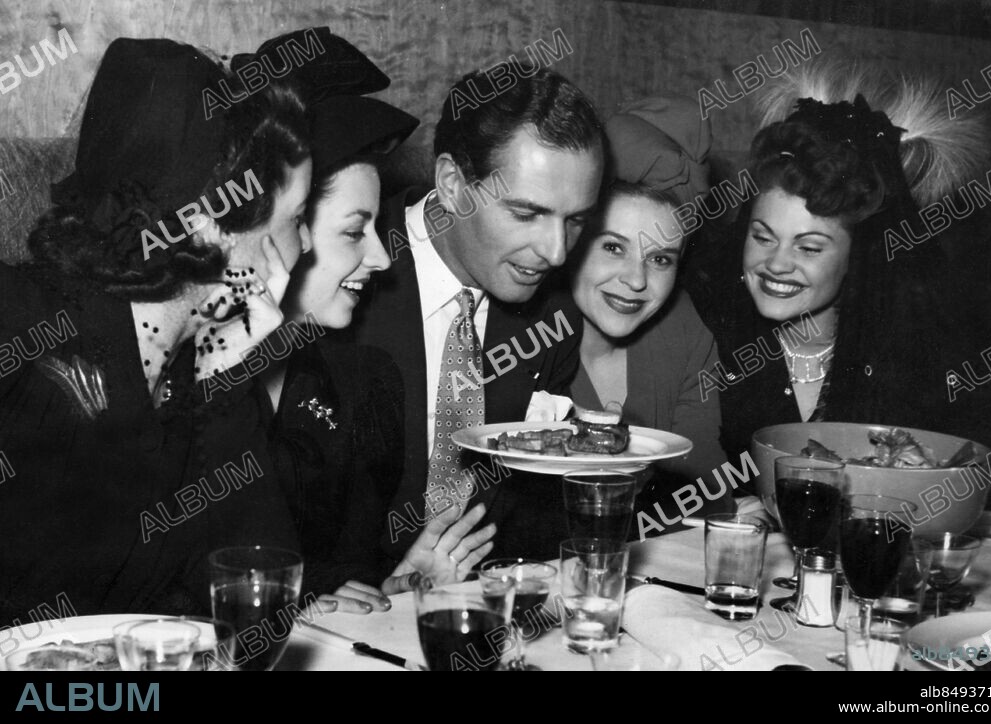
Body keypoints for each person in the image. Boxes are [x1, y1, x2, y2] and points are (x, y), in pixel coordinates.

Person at [0, 38, 311, 623]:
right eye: (296, 220)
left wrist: (225, 389)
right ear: (209, 229)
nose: (308, 245)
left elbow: (257, 614)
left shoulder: (195, 376)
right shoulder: (22, 324)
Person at [233, 29, 497, 613]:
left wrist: (401, 583)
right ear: (284, 224)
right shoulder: (190, 393)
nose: (381, 258)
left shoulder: (358, 382)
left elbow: (353, 580)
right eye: (355, 231)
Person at [689, 63, 991, 486]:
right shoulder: (701, 340)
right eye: (763, 237)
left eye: (809, 247)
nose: (777, 264)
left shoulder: (910, 361)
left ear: (858, 257)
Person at [347, 67, 604, 564]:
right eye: (526, 214)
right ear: (451, 184)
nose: (555, 252)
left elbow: (530, 516)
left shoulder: (554, 312)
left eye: (575, 220)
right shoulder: (346, 276)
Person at [565, 96, 734, 533]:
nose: (636, 280)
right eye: (613, 247)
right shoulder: (519, 340)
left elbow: (707, 481)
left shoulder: (681, 328)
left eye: (660, 259)